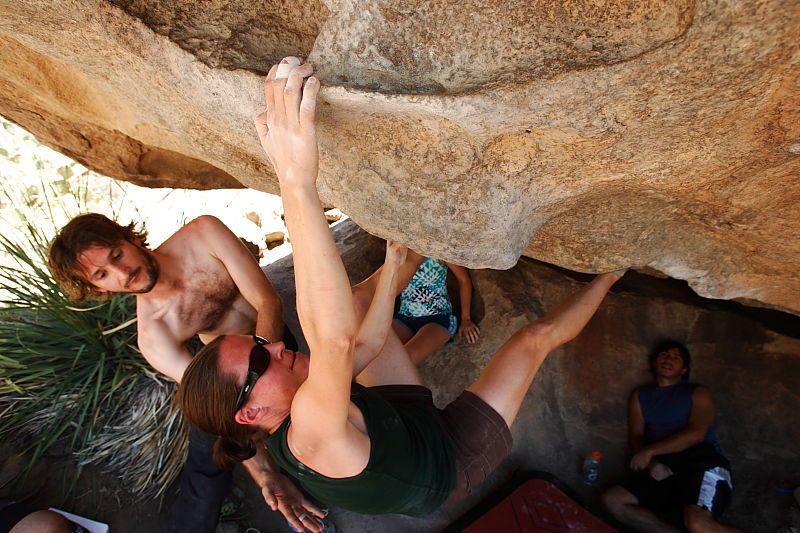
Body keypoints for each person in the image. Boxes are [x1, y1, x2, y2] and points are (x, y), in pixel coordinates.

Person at [175, 57, 625, 525]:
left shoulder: (292, 398)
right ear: (250, 414)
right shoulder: (306, 430)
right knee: (534, 340)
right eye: (258, 362)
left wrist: (393, 270)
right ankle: (616, 270)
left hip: (397, 422)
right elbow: (334, 340)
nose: (275, 347)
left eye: (260, 342)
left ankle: (410, 256)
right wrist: (294, 178)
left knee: (354, 305)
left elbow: (364, 344)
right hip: (448, 463)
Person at [47, 213, 320, 532]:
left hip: (271, 343)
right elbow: (216, 408)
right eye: (102, 274)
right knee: (211, 448)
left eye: (117, 255)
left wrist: (265, 366)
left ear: (131, 238)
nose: (122, 273)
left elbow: (267, 301)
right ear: (96, 287)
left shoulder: (204, 235)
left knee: (307, 423)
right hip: (235, 382)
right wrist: (266, 475)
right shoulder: (154, 336)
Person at [601, 342, 741, 533]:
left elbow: (697, 433)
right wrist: (652, 464)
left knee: (697, 524)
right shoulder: (641, 395)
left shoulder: (698, 393)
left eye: (676, 357)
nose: (668, 359)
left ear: (684, 369)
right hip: (665, 466)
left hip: (702, 461)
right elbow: (636, 436)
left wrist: (650, 452)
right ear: (654, 362)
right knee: (613, 501)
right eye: (664, 355)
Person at [393, 257, 480, 365]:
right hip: (404, 317)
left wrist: (465, 318)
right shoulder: (402, 250)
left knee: (405, 360)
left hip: (439, 319)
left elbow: (464, 280)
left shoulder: (439, 250)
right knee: (377, 352)